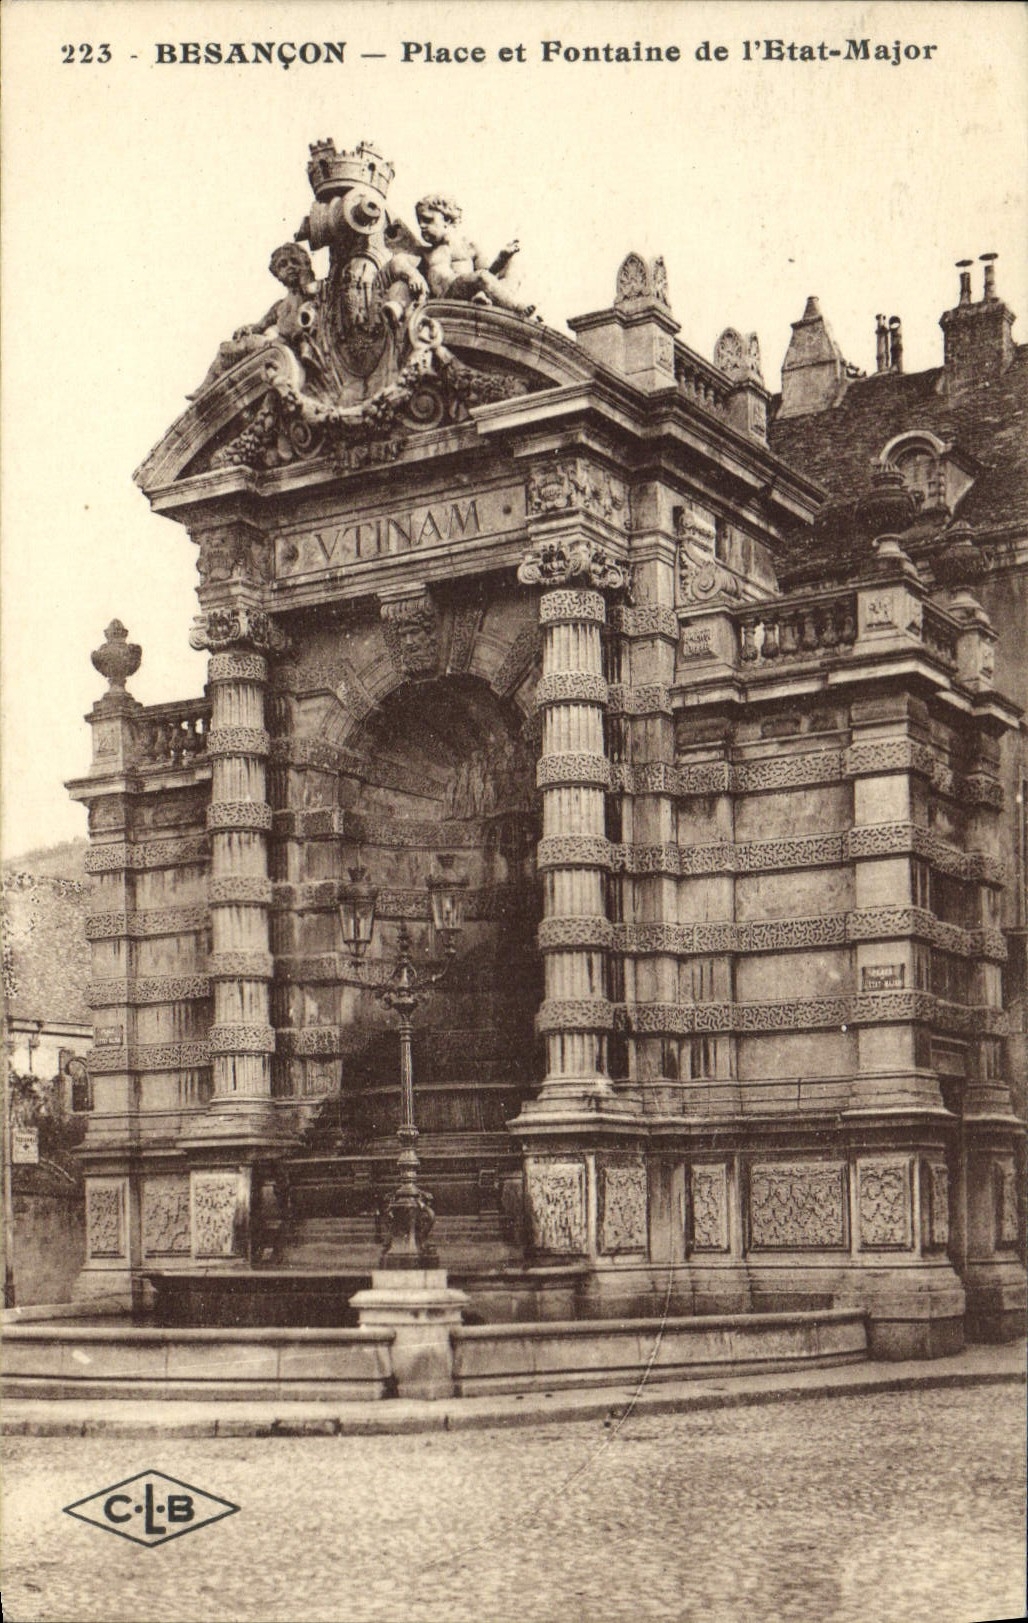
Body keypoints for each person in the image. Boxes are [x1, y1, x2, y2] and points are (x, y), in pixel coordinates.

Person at [188, 243, 323, 398]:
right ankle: (205, 389)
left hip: (294, 349)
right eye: (283, 265)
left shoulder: (315, 289)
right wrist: (248, 329)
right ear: (278, 275)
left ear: (306, 264)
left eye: (295, 261)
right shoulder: (280, 306)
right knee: (227, 349)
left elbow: (314, 294)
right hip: (277, 346)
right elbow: (260, 326)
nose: (290, 267)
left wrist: (306, 281)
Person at [413, 195, 536, 317]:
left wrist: (502, 257)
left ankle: (484, 297)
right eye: (420, 222)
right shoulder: (430, 251)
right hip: (448, 293)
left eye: (427, 220)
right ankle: (515, 308)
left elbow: (489, 274)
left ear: (447, 221)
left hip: (470, 285)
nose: (422, 226)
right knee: (481, 278)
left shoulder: (469, 247)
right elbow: (482, 277)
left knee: (512, 263)